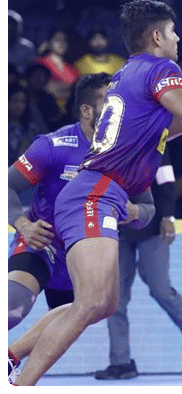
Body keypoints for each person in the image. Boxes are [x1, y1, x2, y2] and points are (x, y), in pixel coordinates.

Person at [10, 0, 182, 386]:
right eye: (173, 32)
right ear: (157, 36)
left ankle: (11, 356)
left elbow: (172, 127)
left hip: (100, 193)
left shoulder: (128, 73)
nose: (178, 40)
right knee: (91, 302)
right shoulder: (162, 68)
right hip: (96, 193)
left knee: (102, 305)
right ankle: (20, 384)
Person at [8, 73, 114, 330]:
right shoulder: (53, 145)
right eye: (108, 101)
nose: (117, 107)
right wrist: (24, 225)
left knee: (58, 335)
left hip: (82, 258)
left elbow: (147, 207)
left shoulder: (124, 152)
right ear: (86, 111)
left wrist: (133, 212)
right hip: (41, 244)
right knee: (11, 308)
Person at [95, 151, 182, 380]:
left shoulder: (154, 145)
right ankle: (121, 362)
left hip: (152, 226)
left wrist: (168, 217)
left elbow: (166, 182)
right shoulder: (105, 145)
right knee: (115, 298)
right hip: (117, 228)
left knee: (160, 288)